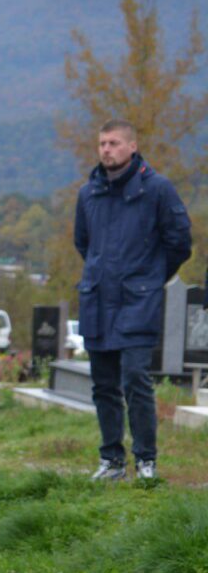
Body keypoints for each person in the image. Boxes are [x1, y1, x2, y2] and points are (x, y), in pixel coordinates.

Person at [75, 119, 191, 481]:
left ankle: (145, 461)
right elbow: (83, 243)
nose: (106, 149)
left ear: (132, 146)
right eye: (102, 143)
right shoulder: (88, 193)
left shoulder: (157, 189)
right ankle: (111, 460)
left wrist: (150, 278)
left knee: (136, 379)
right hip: (98, 301)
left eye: (113, 143)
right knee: (103, 385)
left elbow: (179, 243)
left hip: (137, 302)